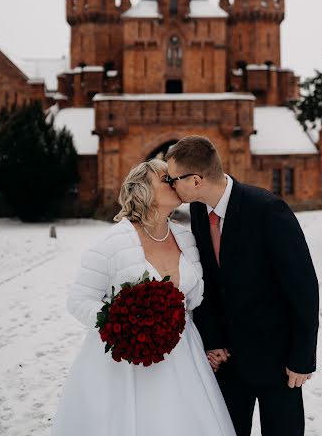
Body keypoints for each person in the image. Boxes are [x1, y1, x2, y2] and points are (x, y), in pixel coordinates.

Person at [51, 159, 237, 436]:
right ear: (142, 189)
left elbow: (197, 301)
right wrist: (121, 326)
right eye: (165, 178)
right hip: (126, 361)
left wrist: (213, 342)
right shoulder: (111, 243)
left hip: (184, 355)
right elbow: (79, 300)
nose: (174, 182)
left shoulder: (187, 238)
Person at [166, 136, 319, 436]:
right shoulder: (199, 211)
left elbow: (303, 287)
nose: (171, 184)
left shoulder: (268, 210)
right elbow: (209, 280)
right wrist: (212, 339)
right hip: (229, 362)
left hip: (279, 362)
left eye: (173, 179)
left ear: (195, 180)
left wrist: (302, 358)